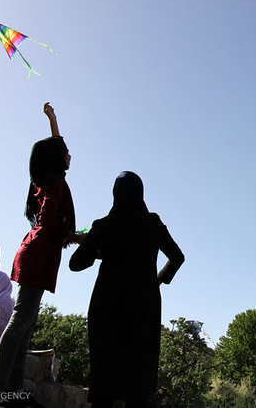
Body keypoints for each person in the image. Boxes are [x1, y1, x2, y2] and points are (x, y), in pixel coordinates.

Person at [0, 102, 82, 408]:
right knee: (20, 320)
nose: (69, 154)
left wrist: (53, 119)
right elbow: (51, 219)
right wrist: (72, 234)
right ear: (56, 159)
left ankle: (12, 389)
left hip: (35, 252)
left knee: (26, 322)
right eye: (64, 151)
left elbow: (56, 146)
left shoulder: (46, 178)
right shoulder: (55, 182)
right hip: (38, 254)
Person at [69, 171, 185, 408]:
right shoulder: (153, 223)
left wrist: (98, 252)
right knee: (138, 378)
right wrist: (157, 281)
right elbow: (177, 257)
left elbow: (75, 263)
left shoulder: (103, 225)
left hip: (107, 307)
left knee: (104, 379)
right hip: (144, 306)